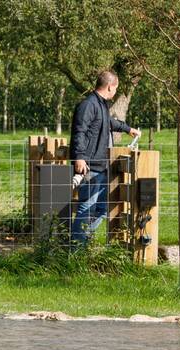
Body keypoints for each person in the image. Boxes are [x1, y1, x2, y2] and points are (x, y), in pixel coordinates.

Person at [68, 70, 140, 246]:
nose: (116, 92)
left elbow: (109, 122)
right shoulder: (88, 105)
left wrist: (127, 129)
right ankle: (75, 248)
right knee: (86, 207)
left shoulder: (101, 105)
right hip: (89, 166)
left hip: (101, 166)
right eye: (115, 88)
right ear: (109, 86)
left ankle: (83, 241)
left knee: (101, 209)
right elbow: (80, 131)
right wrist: (79, 157)